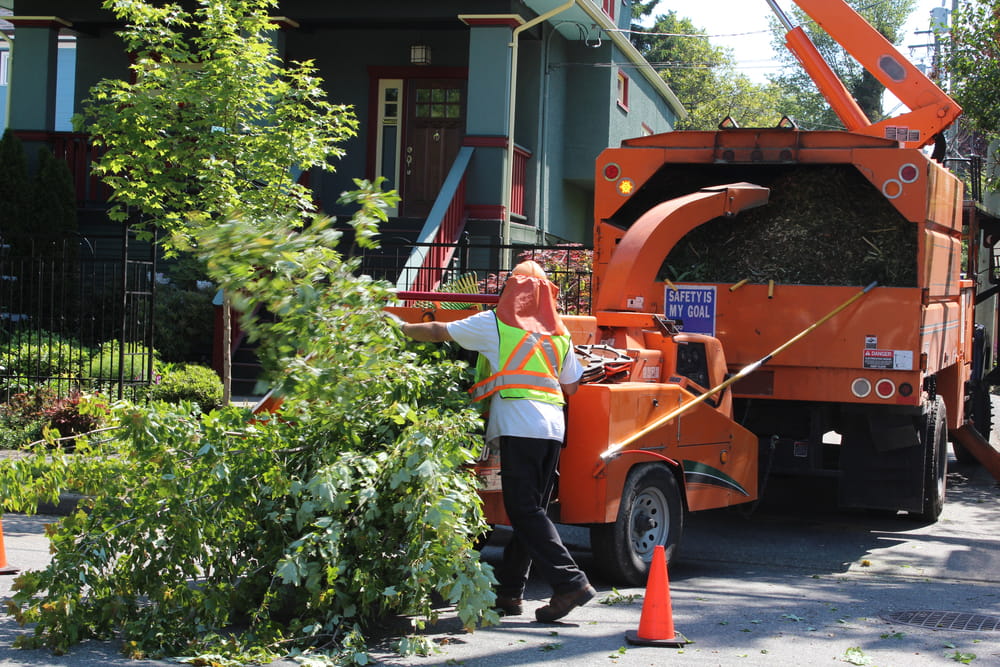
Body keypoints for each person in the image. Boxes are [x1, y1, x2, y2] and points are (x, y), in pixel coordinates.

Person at [400, 260, 596, 623]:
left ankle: (571, 583)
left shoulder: (496, 323)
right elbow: (571, 386)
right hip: (553, 427)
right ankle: (510, 593)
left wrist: (401, 327)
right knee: (532, 511)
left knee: (523, 510)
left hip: (520, 424)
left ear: (511, 289)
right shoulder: (560, 333)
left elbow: (439, 331)